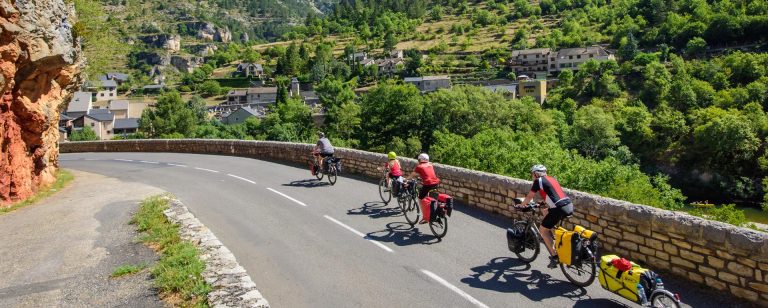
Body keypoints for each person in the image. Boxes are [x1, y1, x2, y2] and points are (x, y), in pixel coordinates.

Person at [513, 164, 574, 269]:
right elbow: (552, 195)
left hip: (558, 208)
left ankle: (555, 257)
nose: (532, 176)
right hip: (568, 205)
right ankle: (557, 241)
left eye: (532, 174)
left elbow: (529, 196)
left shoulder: (538, 181)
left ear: (536, 173)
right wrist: (541, 204)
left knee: (543, 230)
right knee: (546, 211)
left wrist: (521, 205)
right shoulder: (551, 179)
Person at [405, 153, 440, 224]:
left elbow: (413, 174)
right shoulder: (430, 164)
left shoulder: (419, 166)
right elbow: (427, 173)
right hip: (436, 183)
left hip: (428, 185)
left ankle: (425, 217)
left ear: (420, 159)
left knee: (420, 199)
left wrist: (406, 179)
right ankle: (433, 211)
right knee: (432, 198)